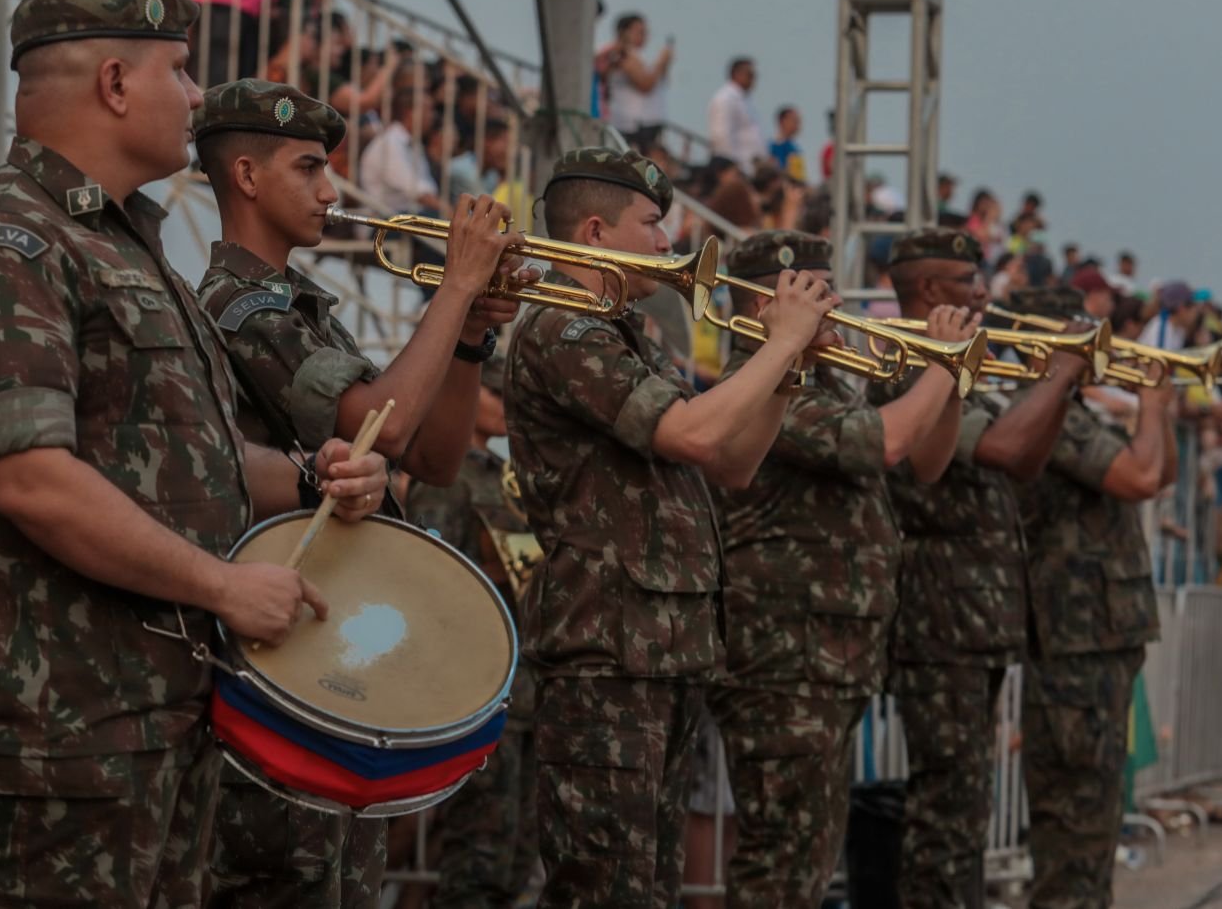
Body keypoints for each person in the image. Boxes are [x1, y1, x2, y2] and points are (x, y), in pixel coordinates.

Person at [0, 0, 390, 908]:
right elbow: (30, 478)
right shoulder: (12, 243)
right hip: (72, 721)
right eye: (180, 71)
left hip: (164, 707)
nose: (197, 98)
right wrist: (222, 584)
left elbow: (189, 456)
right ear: (116, 84)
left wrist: (310, 481)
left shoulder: (129, 247)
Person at [193, 77, 526, 907]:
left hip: (331, 644)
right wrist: (455, 285)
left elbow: (439, 456)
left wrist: (475, 329)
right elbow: (386, 423)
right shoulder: (240, 307)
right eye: (308, 168)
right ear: (246, 176)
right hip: (282, 652)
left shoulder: (305, 310)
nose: (331, 191)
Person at [505, 147, 834, 907]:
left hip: (658, 646)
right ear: (594, 231)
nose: (668, 241)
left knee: (647, 888)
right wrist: (779, 341)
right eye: (652, 224)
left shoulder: (626, 332)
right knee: (605, 888)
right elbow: (690, 434)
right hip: (605, 651)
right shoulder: (562, 326)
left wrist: (788, 368)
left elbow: (735, 462)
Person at [709, 229, 976, 907]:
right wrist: (942, 363)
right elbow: (884, 444)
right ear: (771, 302)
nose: (832, 307)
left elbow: (930, 461)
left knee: (809, 854)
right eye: (815, 293)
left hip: (827, 654)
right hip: (782, 657)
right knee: (780, 859)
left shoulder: (822, 376)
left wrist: (947, 378)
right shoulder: (761, 381)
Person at [875, 229, 1093, 909]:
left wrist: (1061, 383)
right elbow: (998, 449)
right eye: (968, 279)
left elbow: (1026, 459)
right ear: (931, 290)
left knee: (965, 809)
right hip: (939, 621)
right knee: (947, 811)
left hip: (973, 622)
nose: (983, 290)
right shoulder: (914, 367)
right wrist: (1056, 372)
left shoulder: (966, 368)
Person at [1010, 284, 1171, 909]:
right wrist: (1149, 406)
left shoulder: (1071, 414)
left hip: (1099, 639)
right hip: (1074, 641)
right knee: (1073, 832)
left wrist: (1163, 407)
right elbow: (1139, 476)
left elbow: (1162, 474)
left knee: (1094, 829)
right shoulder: (1048, 417)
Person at [405, 357, 539, 908]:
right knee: (477, 853)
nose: (505, 404)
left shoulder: (501, 476)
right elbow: (433, 579)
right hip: (478, 688)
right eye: (493, 392)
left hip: (524, 687)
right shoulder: (448, 474)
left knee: (518, 852)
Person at [360, 86, 439, 213]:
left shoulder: (413, 143)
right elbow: (416, 190)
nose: (433, 116)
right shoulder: (389, 142)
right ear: (410, 113)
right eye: (428, 110)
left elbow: (428, 189)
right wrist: (448, 210)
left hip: (406, 217)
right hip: (385, 223)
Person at [603, 12, 673, 149]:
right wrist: (661, 62)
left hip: (647, 124)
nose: (645, 36)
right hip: (632, 126)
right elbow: (645, 85)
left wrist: (664, 65)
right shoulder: (622, 55)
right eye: (640, 32)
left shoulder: (638, 56)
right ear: (624, 33)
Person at [707, 58, 767, 174]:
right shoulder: (725, 98)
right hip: (736, 168)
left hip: (750, 167)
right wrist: (732, 167)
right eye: (750, 75)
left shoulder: (745, 100)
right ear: (737, 74)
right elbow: (721, 136)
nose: (754, 79)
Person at [767, 106, 806, 183]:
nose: (797, 125)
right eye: (794, 120)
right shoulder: (774, 146)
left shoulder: (794, 147)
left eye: (798, 121)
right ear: (782, 121)